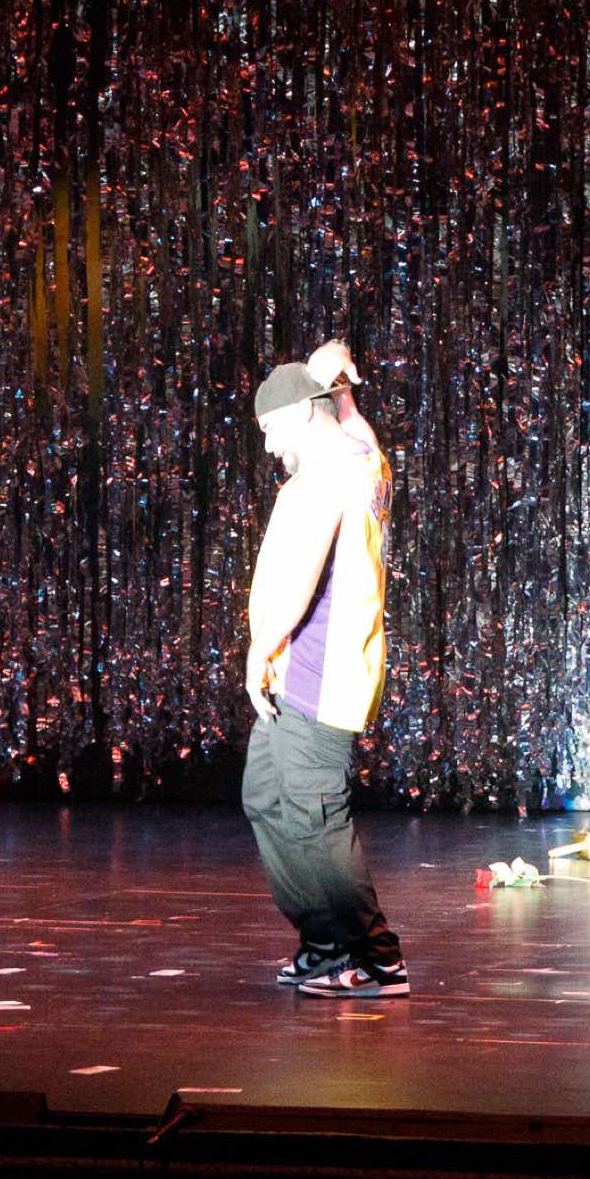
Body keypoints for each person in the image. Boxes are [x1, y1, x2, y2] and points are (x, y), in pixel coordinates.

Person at [242, 341, 407, 998]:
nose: (267, 446)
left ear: (303, 415)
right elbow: (350, 419)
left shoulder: (326, 478)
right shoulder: (362, 455)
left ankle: (375, 956)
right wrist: (336, 381)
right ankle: (325, 944)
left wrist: (258, 650)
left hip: (318, 673)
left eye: (271, 429)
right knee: (265, 793)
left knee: (314, 814)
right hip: (300, 672)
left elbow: (303, 573)